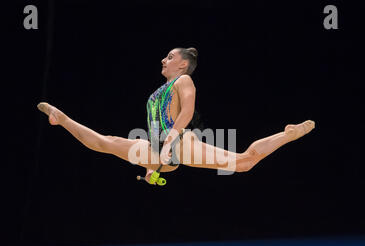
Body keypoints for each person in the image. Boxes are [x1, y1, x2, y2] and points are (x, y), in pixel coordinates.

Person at [37, 47, 315, 184]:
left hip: (178, 142)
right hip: (160, 147)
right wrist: (152, 166)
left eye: (170, 57)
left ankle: (287, 135)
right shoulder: (157, 92)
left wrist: (168, 144)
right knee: (103, 142)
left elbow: (187, 113)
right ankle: (63, 119)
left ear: (183, 64)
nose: (164, 60)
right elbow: (156, 126)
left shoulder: (183, 82)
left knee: (242, 163)